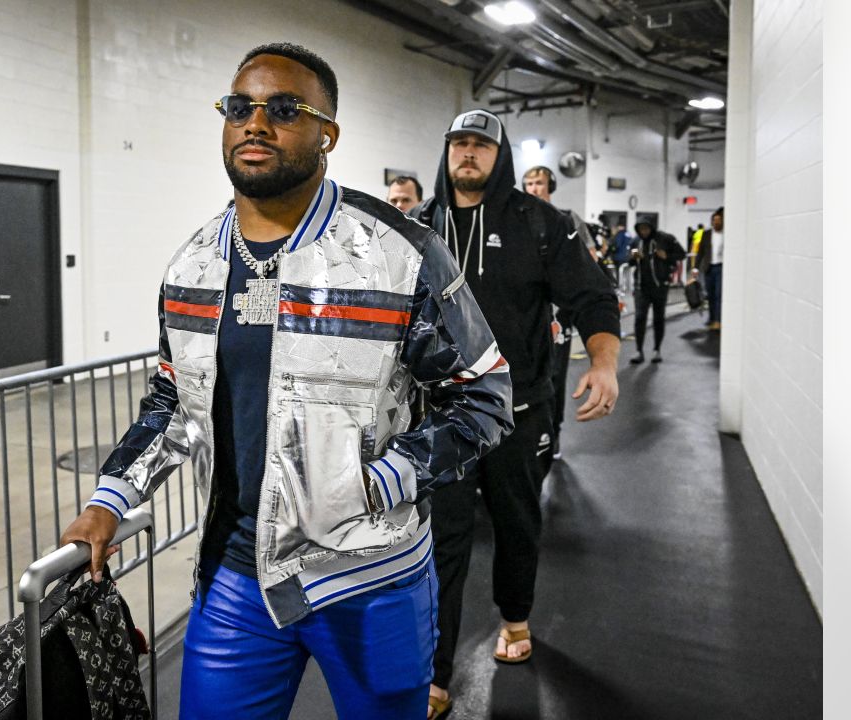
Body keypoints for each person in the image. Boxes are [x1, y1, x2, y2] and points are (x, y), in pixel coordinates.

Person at [57, 44, 514, 720]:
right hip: (239, 582)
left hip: (371, 578)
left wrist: (376, 483)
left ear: (327, 134)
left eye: (283, 110)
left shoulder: (398, 254)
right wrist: (109, 501)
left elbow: (485, 396)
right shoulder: (194, 265)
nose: (256, 124)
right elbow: (172, 404)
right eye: (239, 107)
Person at [410, 109, 620, 712]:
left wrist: (602, 364)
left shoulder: (539, 224)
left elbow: (594, 298)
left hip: (516, 410)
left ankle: (517, 619)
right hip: (440, 416)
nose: (468, 154)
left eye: (481, 144)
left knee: (516, 523)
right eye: (459, 144)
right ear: (446, 152)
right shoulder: (420, 227)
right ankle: (437, 671)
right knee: (441, 542)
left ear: (498, 156)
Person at [520, 165, 593, 460]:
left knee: (555, 375)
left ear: (550, 185)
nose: (533, 188)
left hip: (558, 315)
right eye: (528, 183)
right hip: (524, 314)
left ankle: (554, 433)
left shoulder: (566, 219)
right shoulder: (516, 219)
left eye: (538, 183)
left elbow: (588, 263)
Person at [627, 218, 687, 364]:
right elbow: (630, 261)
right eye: (641, 229)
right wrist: (634, 257)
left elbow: (682, 254)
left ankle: (656, 350)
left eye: (646, 229)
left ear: (651, 228)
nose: (644, 232)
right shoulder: (636, 242)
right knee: (640, 318)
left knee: (658, 318)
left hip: (660, 286)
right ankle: (638, 351)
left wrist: (666, 256)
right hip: (641, 286)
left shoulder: (665, 239)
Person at [693, 207, 725, 330]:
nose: (716, 222)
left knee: (718, 295)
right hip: (709, 268)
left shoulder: (726, 234)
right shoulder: (706, 234)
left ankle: (718, 320)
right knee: (710, 295)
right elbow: (700, 252)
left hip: (720, 267)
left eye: (718, 220)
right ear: (711, 222)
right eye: (714, 220)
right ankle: (711, 318)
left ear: (722, 221)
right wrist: (695, 268)